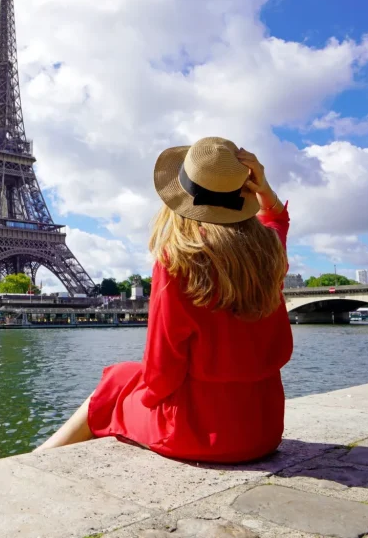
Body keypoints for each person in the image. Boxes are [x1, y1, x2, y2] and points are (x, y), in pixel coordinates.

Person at [36, 137, 292, 463]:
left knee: (112, 385)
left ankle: (37, 460)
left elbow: (161, 372)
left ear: (182, 195)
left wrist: (141, 396)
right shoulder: (269, 254)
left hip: (196, 435)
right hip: (264, 431)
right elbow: (276, 224)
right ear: (244, 190)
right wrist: (266, 191)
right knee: (122, 377)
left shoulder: (179, 260)